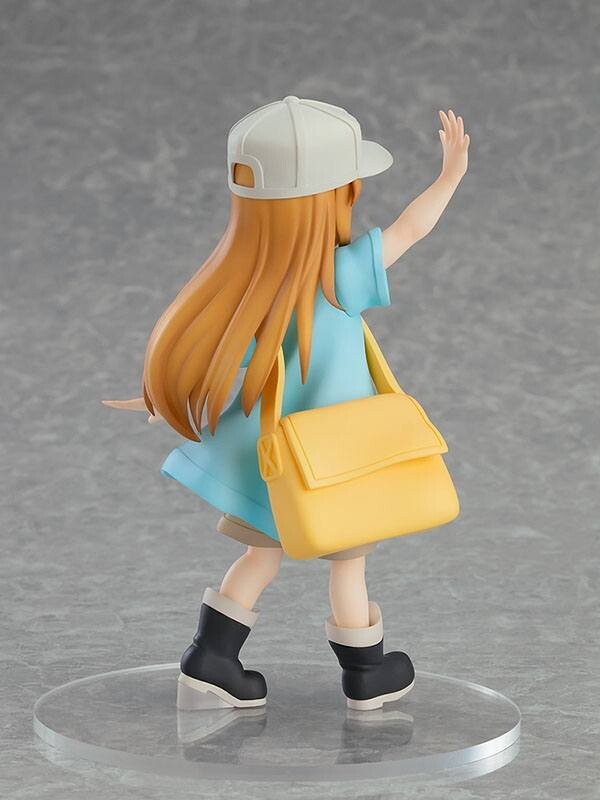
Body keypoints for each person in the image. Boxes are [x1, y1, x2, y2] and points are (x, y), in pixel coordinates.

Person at [105, 97, 469, 711]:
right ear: (333, 197)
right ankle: (367, 673)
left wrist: (171, 398)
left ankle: (211, 659)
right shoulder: (339, 277)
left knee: (259, 555)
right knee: (348, 568)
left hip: (268, 464)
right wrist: (449, 176)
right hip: (336, 465)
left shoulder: (247, 287)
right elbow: (410, 229)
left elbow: (214, 359)